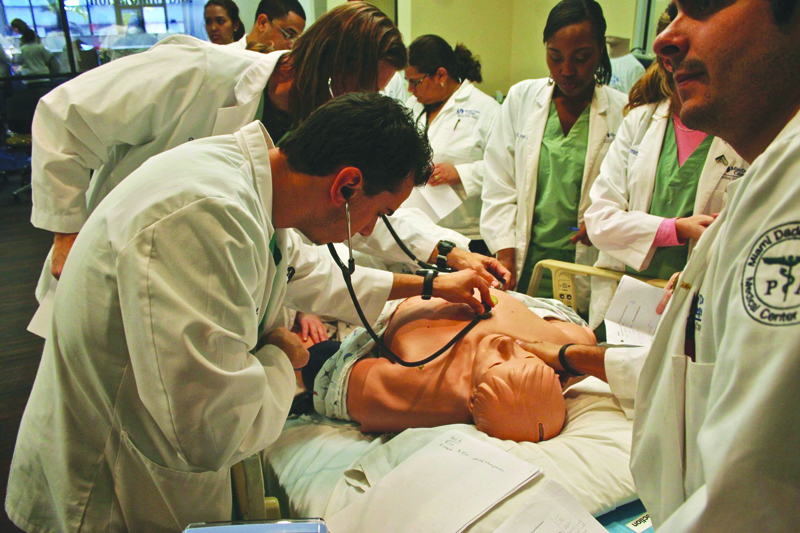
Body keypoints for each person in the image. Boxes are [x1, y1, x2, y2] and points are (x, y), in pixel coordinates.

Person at [6, 93, 496, 532]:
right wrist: (285, 357)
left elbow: (310, 272)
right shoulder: (205, 214)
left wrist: (434, 284)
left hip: (146, 457)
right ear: (346, 186)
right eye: (378, 212)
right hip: (107, 491)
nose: (368, 233)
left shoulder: (254, 186)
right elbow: (211, 431)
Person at [30, 3, 507, 326]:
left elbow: (358, 209)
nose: (363, 105)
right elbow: (64, 117)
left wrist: (443, 255)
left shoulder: (306, 131)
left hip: (196, 284)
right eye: (361, 91)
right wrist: (67, 234)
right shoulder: (200, 73)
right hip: (113, 264)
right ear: (327, 71)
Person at [518, 0, 800, 528]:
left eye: (704, 6)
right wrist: (572, 358)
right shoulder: (762, 173)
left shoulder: (787, 186)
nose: (666, 39)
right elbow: (689, 375)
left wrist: (571, 356)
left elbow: (758, 490)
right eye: (670, 12)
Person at [583, 9, 747, 329]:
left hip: (700, 304)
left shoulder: (741, 129)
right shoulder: (640, 123)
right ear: (663, 60)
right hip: (625, 299)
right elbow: (600, 219)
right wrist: (676, 228)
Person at [480, 0, 627, 306]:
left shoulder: (624, 112)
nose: (567, 70)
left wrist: (607, 221)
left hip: (589, 264)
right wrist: (504, 247)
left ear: (601, 50)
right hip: (525, 257)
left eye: (581, 57)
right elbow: (499, 182)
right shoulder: (522, 99)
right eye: (555, 56)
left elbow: (629, 192)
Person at [309, 288, 595, 442]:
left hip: (403, 301)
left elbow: (333, 384)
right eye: (525, 358)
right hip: (489, 289)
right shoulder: (555, 347)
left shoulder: (424, 390)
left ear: (471, 400)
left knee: (317, 359)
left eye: (499, 364)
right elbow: (584, 336)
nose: (507, 345)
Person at [405, 35, 500, 250]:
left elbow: (505, 170)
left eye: (415, 81)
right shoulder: (413, 106)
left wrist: (461, 174)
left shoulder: (486, 109)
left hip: (466, 233)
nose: (410, 89)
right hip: (419, 228)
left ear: (441, 75)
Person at [229, 0, 306, 52]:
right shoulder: (228, 57)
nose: (291, 46)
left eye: (296, 40)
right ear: (262, 23)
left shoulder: (286, 68)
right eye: (289, 35)